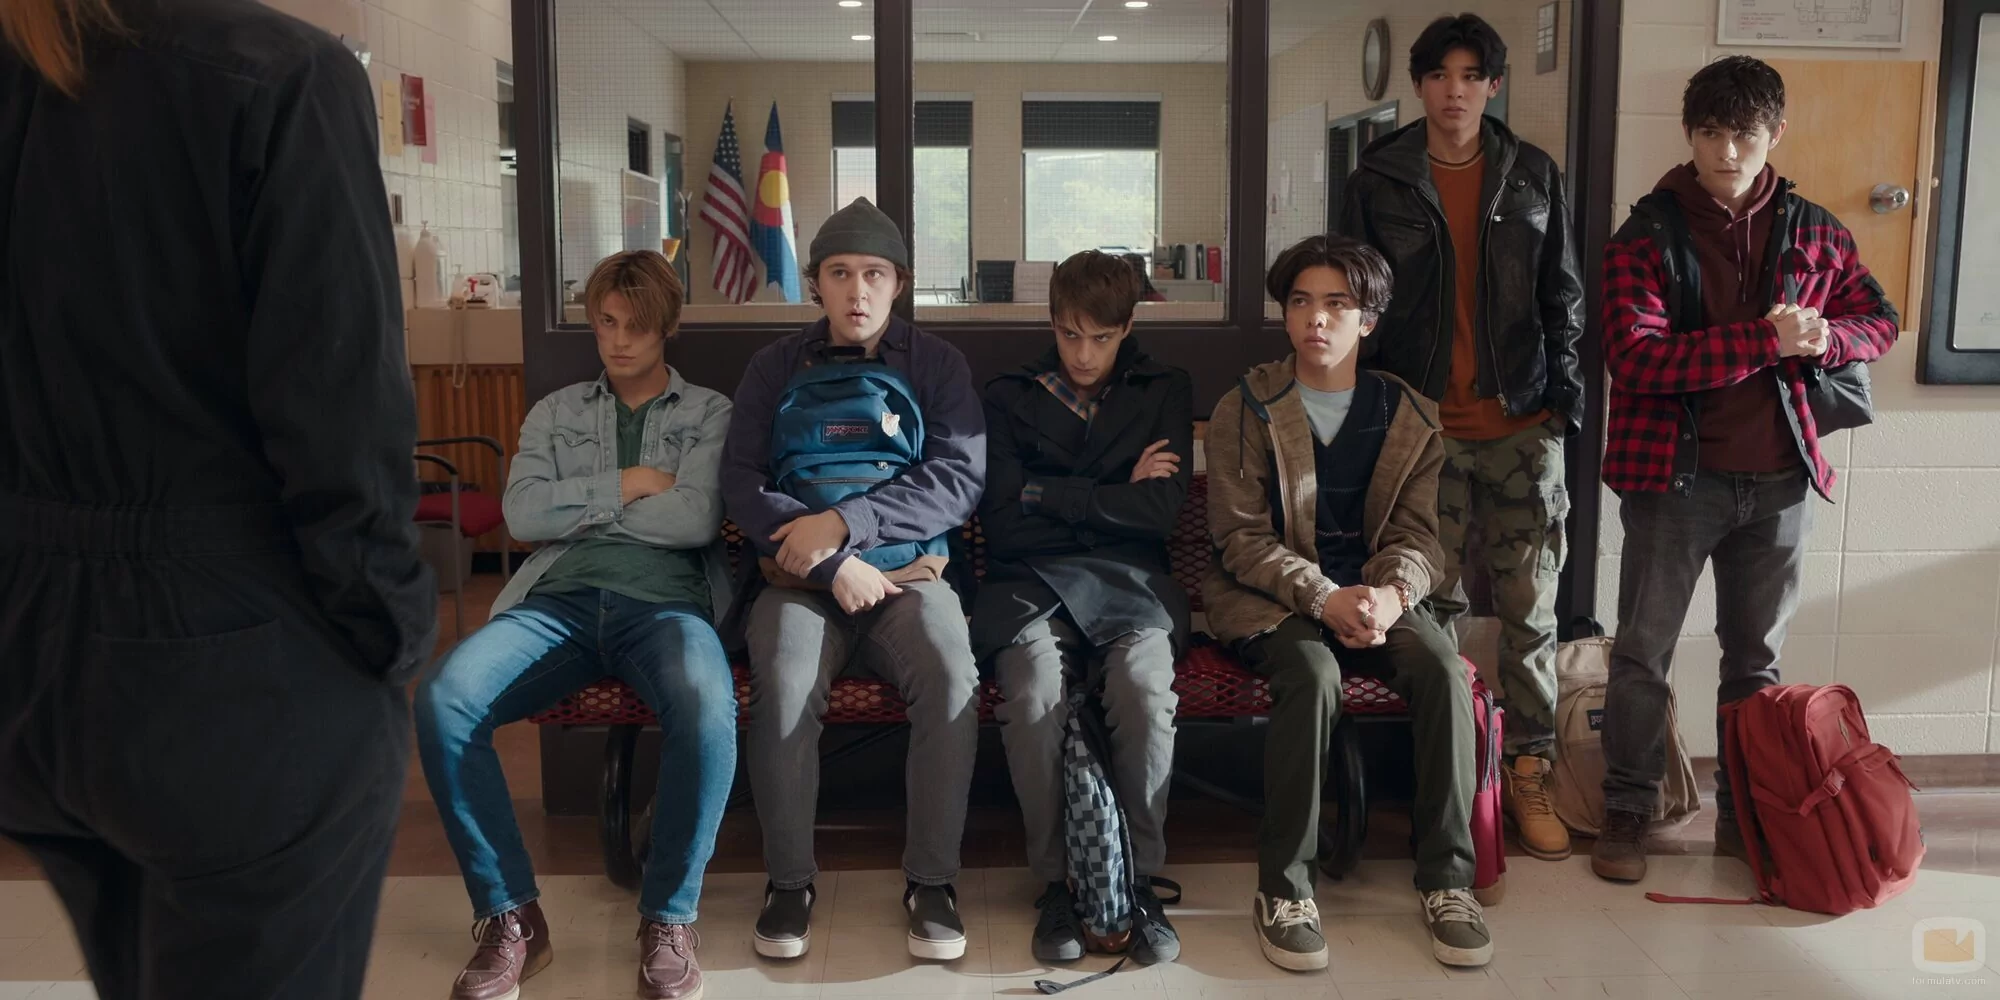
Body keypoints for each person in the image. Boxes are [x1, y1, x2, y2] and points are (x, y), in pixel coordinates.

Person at [0, 1, 437, 997]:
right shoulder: (278, 76)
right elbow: (341, 414)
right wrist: (389, 632)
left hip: (24, 654)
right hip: (224, 664)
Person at [1591, 56, 1899, 883]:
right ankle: (1627, 812)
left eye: (1745, 135)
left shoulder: (1814, 229)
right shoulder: (1645, 235)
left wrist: (1829, 338)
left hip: (1782, 480)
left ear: (1776, 134)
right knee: (1643, 653)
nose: (1727, 152)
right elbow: (1637, 358)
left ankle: (1745, 820)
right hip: (1673, 479)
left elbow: (1879, 317)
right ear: (1688, 134)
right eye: (1711, 133)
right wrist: (1765, 340)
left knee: (1754, 664)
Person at [414, 252, 734, 1000]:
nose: (618, 340)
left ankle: (668, 918)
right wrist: (630, 484)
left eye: (636, 326)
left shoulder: (707, 412)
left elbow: (694, 519)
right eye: (606, 323)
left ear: (667, 327)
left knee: (706, 705)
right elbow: (523, 516)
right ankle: (511, 918)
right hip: (556, 602)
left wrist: (579, 506)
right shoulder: (555, 412)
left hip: (665, 604)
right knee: (444, 700)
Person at [1206, 235, 1491, 972]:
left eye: (1337, 304)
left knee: (1443, 671)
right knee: (1313, 676)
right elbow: (1240, 538)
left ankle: (1448, 879)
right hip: (1272, 600)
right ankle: (1285, 889)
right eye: (1302, 302)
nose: (1317, 319)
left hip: (1375, 596)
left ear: (1368, 320)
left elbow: (1420, 537)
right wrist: (1323, 595)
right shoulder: (1248, 407)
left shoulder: (1408, 413)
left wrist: (1393, 597)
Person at [1339, 12, 1585, 863]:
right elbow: (1355, 301)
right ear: (1419, 85)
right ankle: (1451, 779)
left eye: (1472, 75)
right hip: (1422, 428)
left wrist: (1562, 409)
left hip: (1522, 424)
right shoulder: (1380, 178)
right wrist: (1370, 414)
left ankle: (1529, 770)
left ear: (1494, 85)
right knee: (1430, 612)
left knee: (1530, 610)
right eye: (1440, 75)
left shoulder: (1534, 175)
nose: (1455, 90)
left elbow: (1564, 298)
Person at [721, 197, 987, 962]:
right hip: (799, 584)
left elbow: (957, 481)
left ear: (900, 282)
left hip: (910, 576)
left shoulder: (937, 365)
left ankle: (932, 882)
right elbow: (741, 483)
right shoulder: (773, 367)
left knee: (951, 675)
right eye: (840, 274)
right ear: (816, 285)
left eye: (874, 274)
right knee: (783, 683)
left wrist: (846, 525)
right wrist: (831, 563)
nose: (858, 291)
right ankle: (789, 883)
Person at [975, 250, 1192, 966]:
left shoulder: (1165, 387)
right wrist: (1116, 490)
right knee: (1033, 691)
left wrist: (1046, 493)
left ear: (1128, 327)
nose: (1085, 354)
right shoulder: (1009, 394)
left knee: (1145, 688)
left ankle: (1137, 881)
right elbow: (1004, 525)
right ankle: (1058, 885)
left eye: (1102, 337)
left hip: (1133, 583)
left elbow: (1160, 514)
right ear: (1051, 323)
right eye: (1070, 334)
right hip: (1028, 583)